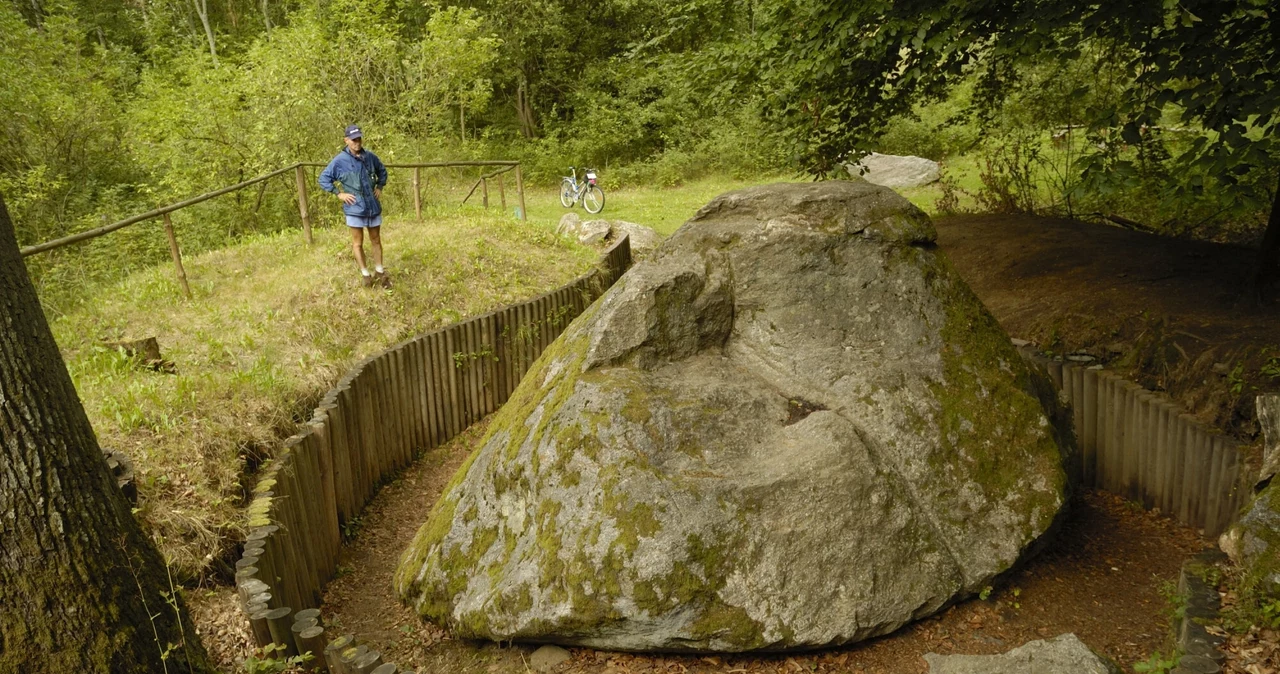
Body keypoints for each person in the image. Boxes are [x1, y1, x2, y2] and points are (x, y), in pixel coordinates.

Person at [319, 124, 391, 288]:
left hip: (372, 205)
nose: (357, 142)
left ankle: (380, 271)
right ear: (346, 140)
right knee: (357, 243)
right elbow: (323, 179)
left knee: (376, 239)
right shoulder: (339, 161)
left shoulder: (370, 157)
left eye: (359, 139)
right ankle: (366, 275)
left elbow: (382, 171)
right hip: (354, 207)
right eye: (353, 140)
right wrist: (339, 194)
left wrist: (380, 186)